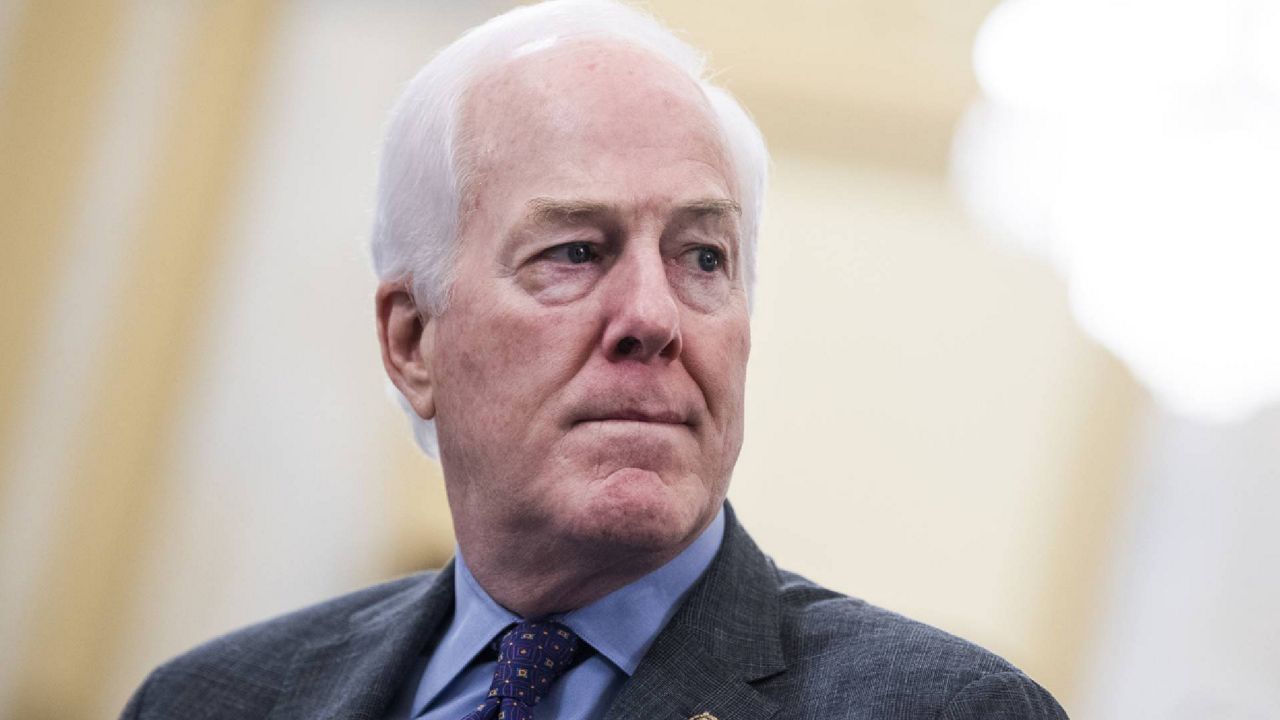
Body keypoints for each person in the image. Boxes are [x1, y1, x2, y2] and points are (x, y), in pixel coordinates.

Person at [121, 1, 1068, 718]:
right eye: (575, 250)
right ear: (413, 341)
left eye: (703, 257)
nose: (654, 318)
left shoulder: (941, 710)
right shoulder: (211, 699)